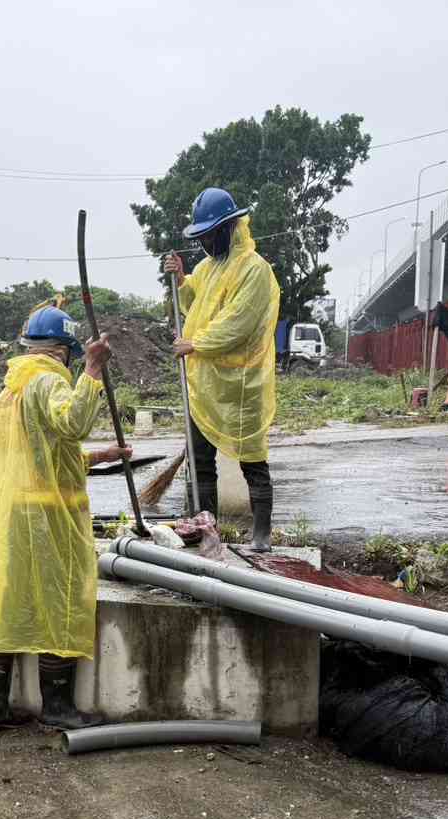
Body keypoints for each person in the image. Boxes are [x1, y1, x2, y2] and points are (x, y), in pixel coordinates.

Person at [0, 305, 131, 733]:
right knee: (64, 600)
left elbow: (42, 454)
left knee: (8, 601)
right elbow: (72, 423)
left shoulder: (10, 391)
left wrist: (98, 458)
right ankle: (58, 708)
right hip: (49, 516)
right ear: (65, 350)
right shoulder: (49, 379)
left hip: (12, 516)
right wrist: (93, 369)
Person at [163, 186, 282, 551]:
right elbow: (194, 304)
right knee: (200, 460)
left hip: (242, 383)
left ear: (230, 227)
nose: (204, 243)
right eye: (200, 237)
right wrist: (182, 281)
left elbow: (238, 322)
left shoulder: (255, 270)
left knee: (252, 460)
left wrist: (196, 344)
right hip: (206, 381)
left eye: (210, 235)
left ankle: (261, 532)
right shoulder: (206, 268)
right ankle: (204, 526)